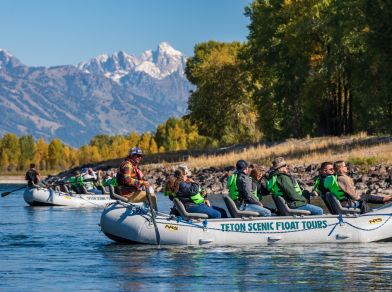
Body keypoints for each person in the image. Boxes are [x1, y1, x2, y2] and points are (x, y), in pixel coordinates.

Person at [324, 160, 392, 213]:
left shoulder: (338, 178)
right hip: (348, 203)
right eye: (344, 166)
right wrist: (360, 199)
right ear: (340, 168)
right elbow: (353, 195)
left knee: (367, 197)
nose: (346, 167)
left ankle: (388, 198)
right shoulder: (343, 179)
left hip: (345, 202)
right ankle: (369, 213)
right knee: (366, 198)